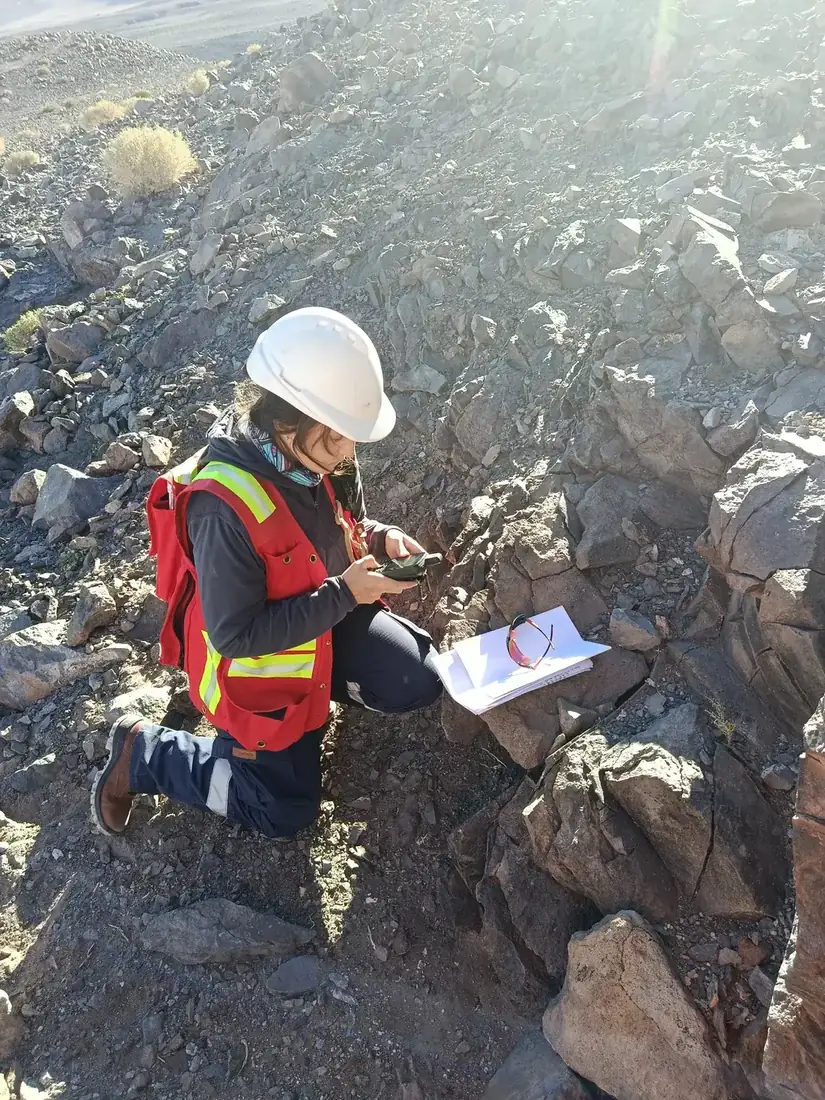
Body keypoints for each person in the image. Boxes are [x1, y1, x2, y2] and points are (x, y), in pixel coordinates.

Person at [91, 307, 443, 840]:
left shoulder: (316, 457)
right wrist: (345, 594)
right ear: (286, 420)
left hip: (320, 620)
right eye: (338, 436)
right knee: (282, 813)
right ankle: (145, 754)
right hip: (260, 670)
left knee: (414, 677)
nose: (348, 451)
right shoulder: (224, 508)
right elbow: (236, 636)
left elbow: (342, 528)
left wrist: (378, 539)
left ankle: (312, 711)